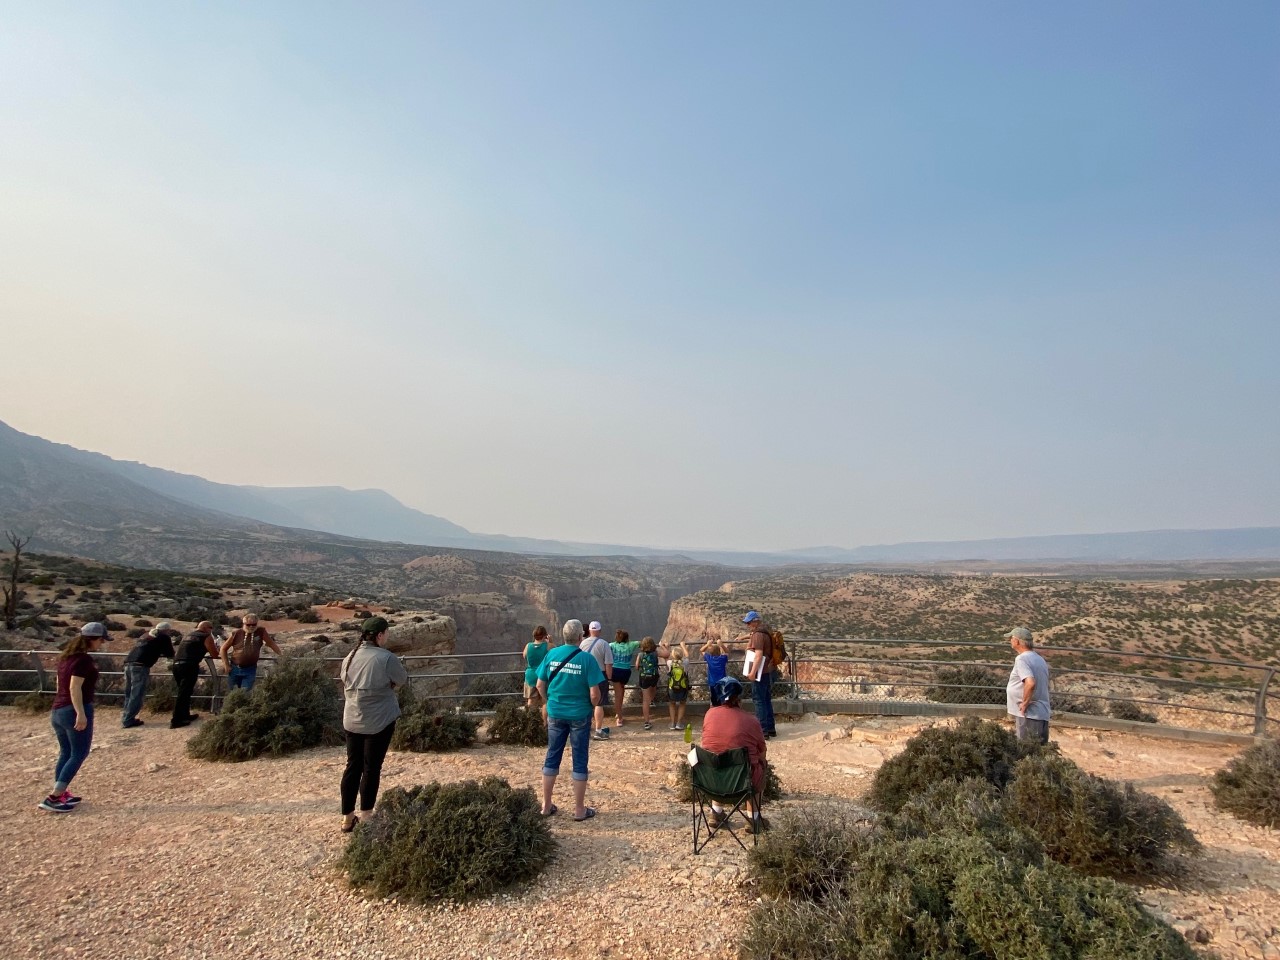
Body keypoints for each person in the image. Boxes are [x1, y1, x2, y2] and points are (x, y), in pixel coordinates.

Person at [340, 616, 408, 832]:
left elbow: (345, 680)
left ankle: (347, 819)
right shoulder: (386, 658)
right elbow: (402, 679)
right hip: (379, 721)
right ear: (379, 635)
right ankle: (367, 817)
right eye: (387, 633)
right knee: (371, 768)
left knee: (352, 767)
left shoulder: (350, 657)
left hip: (352, 719)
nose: (388, 637)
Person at [536, 619, 604, 821]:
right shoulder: (587, 660)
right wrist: (593, 707)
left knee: (552, 756)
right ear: (580, 637)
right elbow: (594, 694)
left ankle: (546, 805)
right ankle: (579, 810)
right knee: (579, 760)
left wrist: (550, 702)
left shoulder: (551, 654)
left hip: (556, 713)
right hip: (579, 715)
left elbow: (540, 685)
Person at [40, 622, 106, 812]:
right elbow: (74, 687)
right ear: (93, 639)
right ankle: (54, 797)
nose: (101, 644)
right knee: (79, 753)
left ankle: (61, 792)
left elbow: (60, 684)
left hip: (58, 710)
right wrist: (80, 713)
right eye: (101, 640)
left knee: (66, 752)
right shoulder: (83, 660)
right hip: (73, 709)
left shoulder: (66, 658)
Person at [701, 676, 768, 833]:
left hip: (710, 783)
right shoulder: (751, 720)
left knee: (718, 760)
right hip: (742, 785)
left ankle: (716, 813)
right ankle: (753, 818)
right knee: (758, 766)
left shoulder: (709, 715)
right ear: (739, 698)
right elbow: (762, 752)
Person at [120, 621, 177, 728]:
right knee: (137, 693)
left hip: (128, 663)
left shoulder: (146, 635)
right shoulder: (163, 637)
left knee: (129, 693)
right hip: (140, 666)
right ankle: (128, 720)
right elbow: (170, 653)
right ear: (167, 630)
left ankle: (126, 717)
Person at [1006, 626, 1051, 743]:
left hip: (1029, 715)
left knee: (1025, 751)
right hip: (1041, 714)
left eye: (1011, 638)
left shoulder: (1021, 659)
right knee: (1039, 752)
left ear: (1016, 641)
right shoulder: (1039, 659)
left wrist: (1024, 703)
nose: (1009, 641)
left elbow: (1030, 683)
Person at [737, 611, 777, 739]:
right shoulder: (766, 631)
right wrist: (743, 638)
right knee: (766, 700)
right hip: (767, 671)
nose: (748, 625)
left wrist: (752, 672)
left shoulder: (758, 635)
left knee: (758, 701)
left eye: (749, 622)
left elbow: (758, 655)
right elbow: (753, 637)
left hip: (759, 672)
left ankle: (762, 731)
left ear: (755, 621)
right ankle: (771, 729)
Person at [170, 622, 218, 728]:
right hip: (189, 665)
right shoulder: (206, 636)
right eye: (211, 627)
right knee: (184, 693)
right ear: (205, 628)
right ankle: (176, 720)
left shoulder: (188, 635)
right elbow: (214, 654)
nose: (211, 630)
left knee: (184, 692)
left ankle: (185, 715)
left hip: (176, 665)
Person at [221, 613, 282, 691]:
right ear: (244, 624)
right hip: (234, 668)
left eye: (254, 624)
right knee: (232, 693)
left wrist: (282, 655)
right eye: (248, 624)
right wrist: (226, 665)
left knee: (245, 692)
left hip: (250, 669)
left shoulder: (261, 631)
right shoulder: (236, 633)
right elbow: (223, 649)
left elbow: (271, 644)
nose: (251, 626)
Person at [579, 620, 613, 740]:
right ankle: (598, 731)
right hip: (600, 675)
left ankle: (584, 729)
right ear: (599, 631)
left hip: (584, 675)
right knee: (599, 703)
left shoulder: (582, 644)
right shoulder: (604, 644)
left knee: (585, 703)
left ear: (589, 631)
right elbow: (608, 664)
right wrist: (609, 678)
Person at [609, 629, 639, 727]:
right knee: (622, 691)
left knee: (618, 695)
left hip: (616, 671)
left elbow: (604, 648)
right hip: (626, 672)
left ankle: (619, 718)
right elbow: (643, 643)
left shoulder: (612, 645)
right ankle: (619, 712)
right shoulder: (631, 645)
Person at [664, 640, 691, 731]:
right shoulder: (685, 663)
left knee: (672, 704)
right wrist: (683, 646)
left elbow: (667, 657)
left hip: (672, 687)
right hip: (683, 687)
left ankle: (672, 723)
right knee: (682, 703)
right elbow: (687, 655)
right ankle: (679, 723)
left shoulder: (670, 663)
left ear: (673, 655)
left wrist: (667, 647)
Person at [523, 626, 550, 715]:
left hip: (530, 676)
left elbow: (524, 656)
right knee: (545, 701)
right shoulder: (548, 646)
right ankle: (545, 723)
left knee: (531, 701)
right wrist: (551, 641)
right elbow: (555, 653)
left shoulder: (528, 646)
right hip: (543, 676)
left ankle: (531, 723)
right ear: (545, 636)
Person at [636, 637, 661, 730]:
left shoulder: (640, 654)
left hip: (644, 677)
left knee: (645, 700)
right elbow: (667, 654)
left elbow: (636, 666)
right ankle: (651, 700)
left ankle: (647, 722)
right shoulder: (655, 653)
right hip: (654, 675)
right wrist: (665, 647)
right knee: (653, 687)